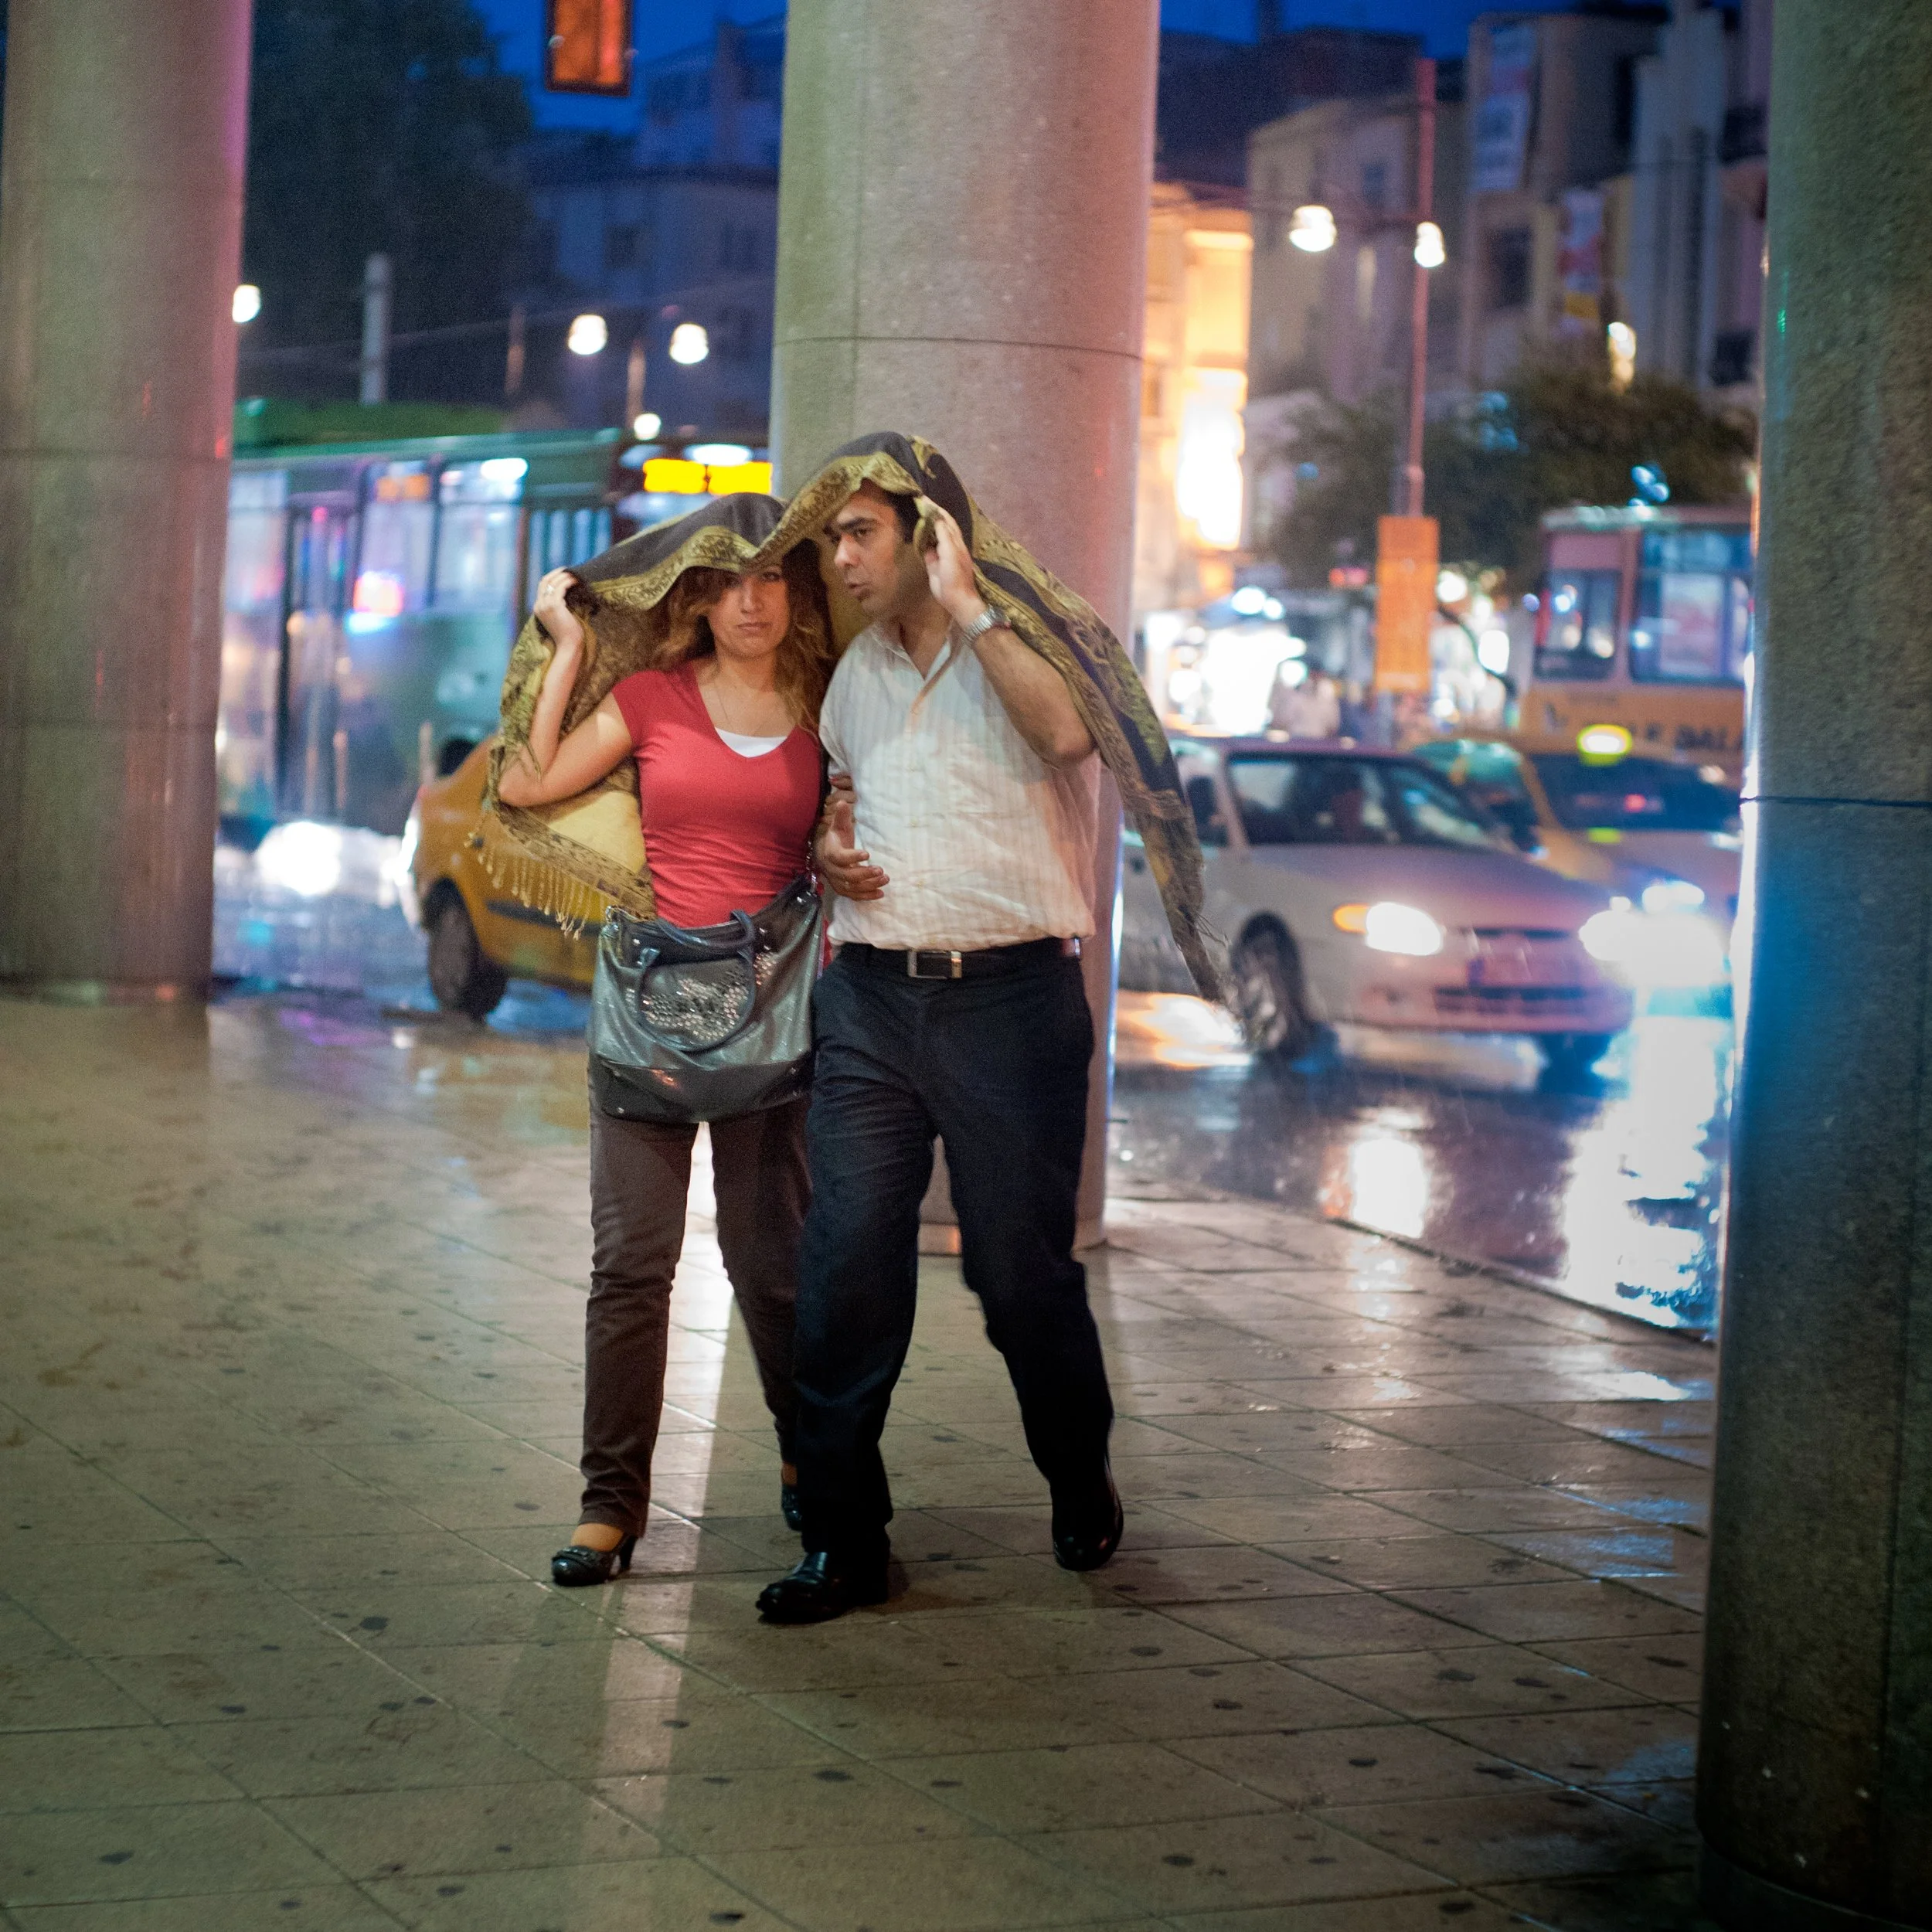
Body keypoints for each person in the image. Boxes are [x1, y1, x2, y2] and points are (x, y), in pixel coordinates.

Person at [750, 435, 1216, 1624]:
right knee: (844, 1261)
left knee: (1019, 1280)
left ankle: (1076, 1471)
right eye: (830, 539)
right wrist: (828, 850)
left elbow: (1068, 739)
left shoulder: (1020, 647)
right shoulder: (852, 676)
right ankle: (845, 1539)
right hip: (870, 997)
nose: (837, 559)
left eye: (858, 533)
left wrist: (973, 612)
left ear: (930, 535)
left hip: (1010, 1006)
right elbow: (840, 806)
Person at [489, 497, 835, 1587]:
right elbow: (527, 786)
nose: (752, 598)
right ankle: (609, 1507)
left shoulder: (829, 709)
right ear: (694, 595)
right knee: (630, 1269)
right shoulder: (650, 699)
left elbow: (854, 830)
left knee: (770, 1266)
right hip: (647, 1012)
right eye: (729, 580)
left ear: (796, 594)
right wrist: (570, 647)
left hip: (777, 1019)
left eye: (773, 577)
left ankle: (803, 1449)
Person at [1267, 665, 1342, 740]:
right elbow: (1283, 722)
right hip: (1297, 742)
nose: (1315, 679)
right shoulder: (1295, 699)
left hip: (1320, 744)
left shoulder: (1329, 702)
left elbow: (1332, 727)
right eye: (1313, 676)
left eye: (1318, 676)